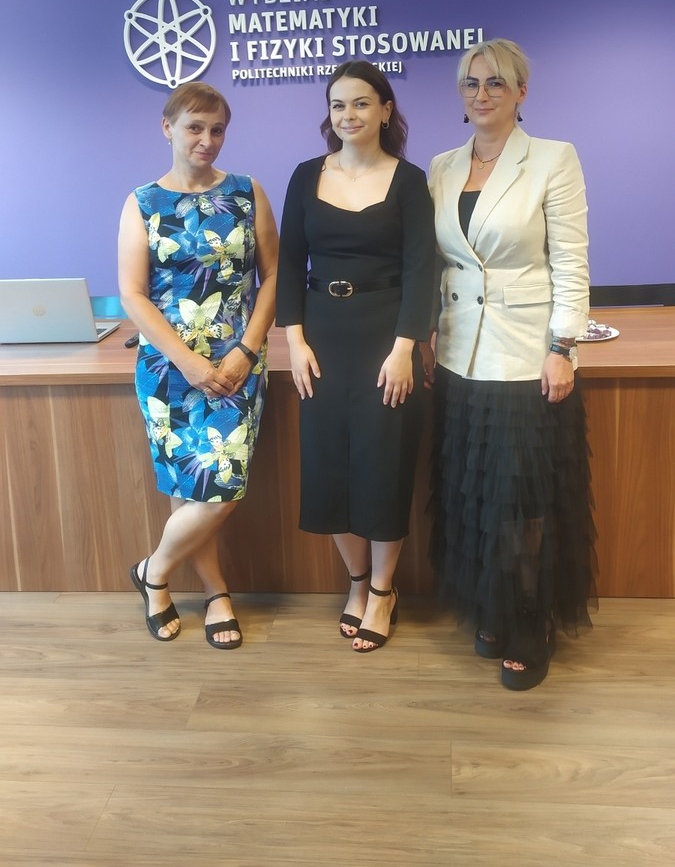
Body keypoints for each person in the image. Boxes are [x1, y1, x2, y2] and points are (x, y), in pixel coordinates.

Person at [424, 38, 597, 690]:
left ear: (521, 91)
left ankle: (531, 620)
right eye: (471, 84)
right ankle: (492, 608)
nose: (481, 94)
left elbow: (571, 261)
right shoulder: (441, 166)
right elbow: (436, 263)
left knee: (524, 498)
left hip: (527, 358)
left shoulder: (552, 158)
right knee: (476, 496)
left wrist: (563, 347)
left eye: (495, 82)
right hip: (458, 354)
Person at [276, 60, 436, 653]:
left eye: (362, 103)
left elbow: (422, 268)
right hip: (322, 338)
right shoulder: (304, 176)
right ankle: (358, 580)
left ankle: (385, 592)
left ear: (386, 110)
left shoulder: (409, 180)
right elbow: (288, 263)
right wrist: (294, 341)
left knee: (382, 465)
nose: (349, 115)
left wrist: (405, 347)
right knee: (330, 467)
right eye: (338, 104)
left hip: (386, 338)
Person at [118, 81, 278, 649]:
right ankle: (215, 593)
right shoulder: (142, 202)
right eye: (194, 127)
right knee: (190, 490)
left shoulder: (246, 192)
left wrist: (246, 350)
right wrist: (186, 361)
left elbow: (272, 277)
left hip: (237, 366)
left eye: (216, 130)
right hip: (168, 369)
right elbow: (133, 294)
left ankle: (153, 571)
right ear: (168, 128)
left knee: (221, 486)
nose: (206, 139)